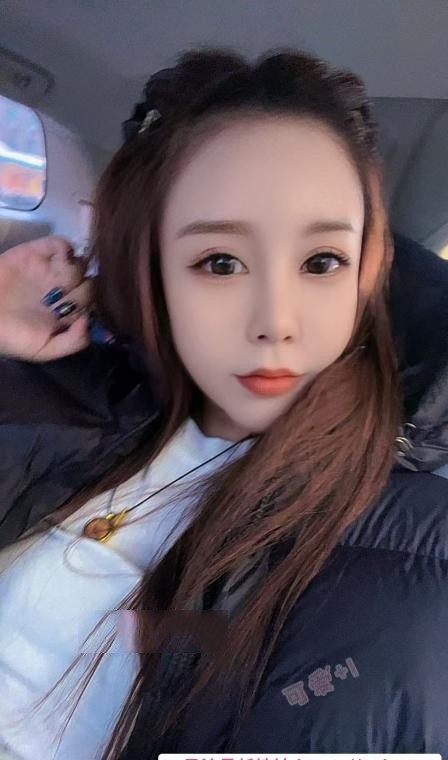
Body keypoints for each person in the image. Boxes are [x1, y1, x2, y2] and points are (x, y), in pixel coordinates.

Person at [0, 46, 448, 760]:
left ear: (366, 276)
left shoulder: (420, 549)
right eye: (220, 262)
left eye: (322, 262)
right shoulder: (68, 388)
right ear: (153, 271)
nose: (277, 321)